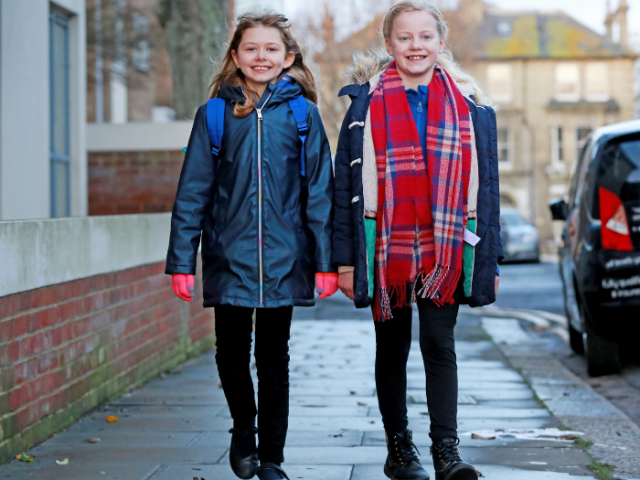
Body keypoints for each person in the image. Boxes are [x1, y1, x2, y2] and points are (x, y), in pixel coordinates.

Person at [332, 2, 503, 479]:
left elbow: (486, 189)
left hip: (444, 245)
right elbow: (342, 188)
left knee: (438, 342)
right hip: (385, 245)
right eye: (404, 38)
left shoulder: (471, 107)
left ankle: (446, 453)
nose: (415, 46)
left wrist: (490, 258)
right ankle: (398, 449)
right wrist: (344, 262)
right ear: (389, 45)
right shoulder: (364, 105)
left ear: (441, 42)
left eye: (425, 37)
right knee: (392, 348)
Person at [165, 11, 337, 480]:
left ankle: (272, 459)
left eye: (271, 49)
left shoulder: (302, 115)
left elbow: (320, 193)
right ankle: (244, 429)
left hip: (287, 258)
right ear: (236, 57)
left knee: (273, 358)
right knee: (230, 353)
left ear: (288, 57)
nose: (261, 57)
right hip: (229, 256)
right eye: (251, 49)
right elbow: (193, 190)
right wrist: (182, 260)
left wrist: (327, 262)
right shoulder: (215, 115)